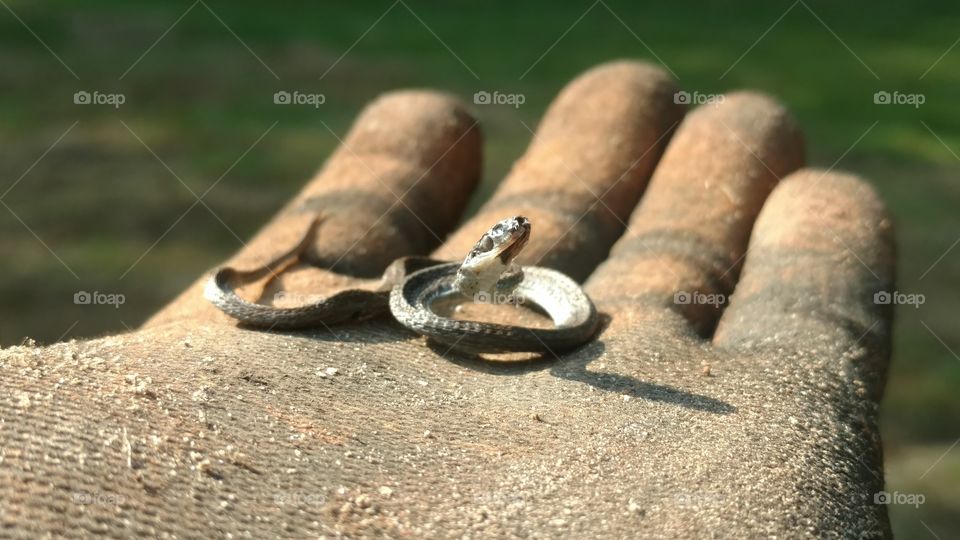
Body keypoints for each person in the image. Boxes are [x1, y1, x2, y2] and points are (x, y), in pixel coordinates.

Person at [1, 60, 894, 537]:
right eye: (503, 242)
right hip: (430, 295)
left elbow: (520, 293)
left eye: (514, 244)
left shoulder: (515, 285)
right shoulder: (437, 289)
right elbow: (444, 291)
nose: (512, 244)